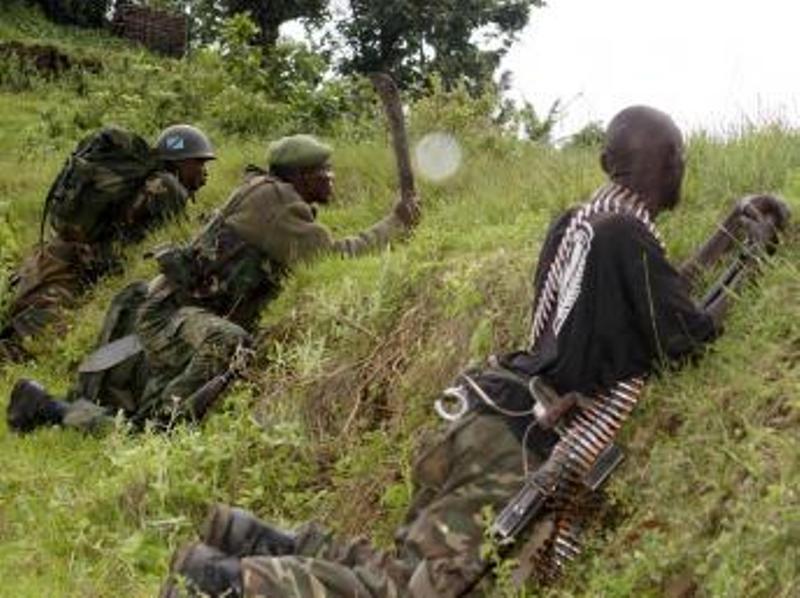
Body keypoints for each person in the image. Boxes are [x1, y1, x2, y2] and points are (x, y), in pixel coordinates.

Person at [157, 106, 789, 597]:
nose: (679, 167)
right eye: (674, 156)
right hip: (519, 445)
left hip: (485, 414)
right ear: (662, 165)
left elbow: (654, 292)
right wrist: (754, 256)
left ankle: (247, 537)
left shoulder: (580, 224)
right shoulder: (626, 235)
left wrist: (724, 232)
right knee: (419, 591)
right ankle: (221, 582)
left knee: (408, 568)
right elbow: (688, 336)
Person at [6, 134, 419, 434]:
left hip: (175, 309)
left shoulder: (269, 193)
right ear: (303, 176)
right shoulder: (275, 204)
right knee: (230, 343)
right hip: (169, 315)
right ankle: (156, 426)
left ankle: (59, 408)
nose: (332, 178)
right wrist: (395, 224)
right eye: (324, 172)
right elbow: (333, 257)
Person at [0, 124, 215, 361]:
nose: (204, 173)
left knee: (27, 322)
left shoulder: (145, 183)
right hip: (68, 267)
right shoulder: (167, 188)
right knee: (34, 343)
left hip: (54, 257)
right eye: (199, 163)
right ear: (180, 161)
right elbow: (178, 240)